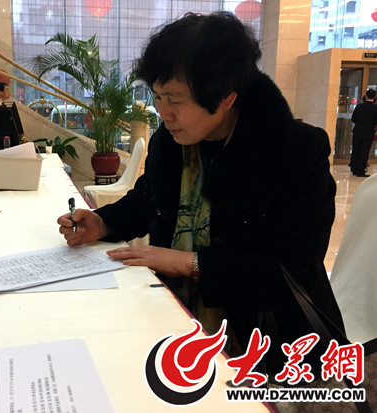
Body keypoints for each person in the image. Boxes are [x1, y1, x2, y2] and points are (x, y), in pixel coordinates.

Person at [57, 12, 344, 378]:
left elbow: (292, 275)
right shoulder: (172, 142)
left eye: (175, 99)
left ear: (225, 96)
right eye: (157, 96)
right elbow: (149, 199)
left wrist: (188, 263)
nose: (164, 113)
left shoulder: (294, 152)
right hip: (175, 323)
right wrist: (101, 222)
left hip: (270, 350)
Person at [350, 88, 377, 177]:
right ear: (375, 97)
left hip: (357, 131)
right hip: (368, 132)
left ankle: (354, 168)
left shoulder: (359, 106)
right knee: (364, 151)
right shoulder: (375, 108)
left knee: (356, 150)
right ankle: (360, 170)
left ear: (366, 96)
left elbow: (353, 119)